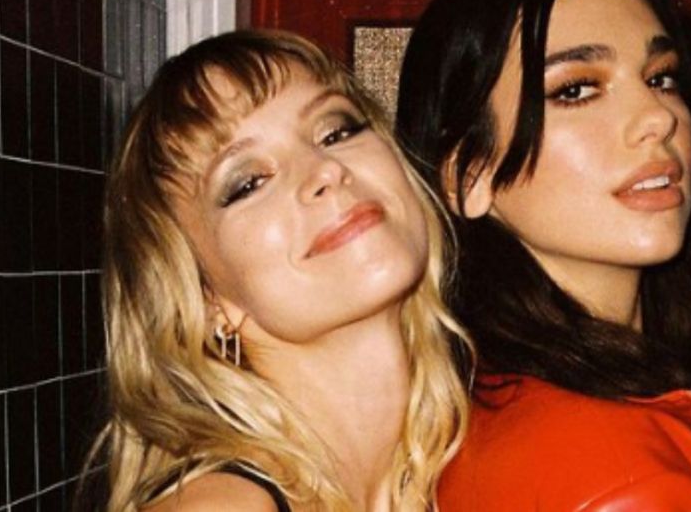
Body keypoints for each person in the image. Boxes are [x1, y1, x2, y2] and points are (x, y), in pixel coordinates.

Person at [396, 0, 691, 510]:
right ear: (471, 175)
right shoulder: (619, 471)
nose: (658, 117)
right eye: (576, 89)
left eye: (661, 78)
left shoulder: (486, 410)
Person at [87, 30, 470, 511]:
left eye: (336, 131)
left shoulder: (473, 458)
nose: (325, 169)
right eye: (249, 182)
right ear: (205, 298)